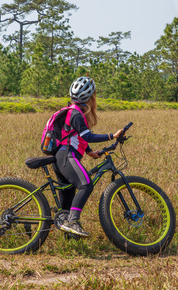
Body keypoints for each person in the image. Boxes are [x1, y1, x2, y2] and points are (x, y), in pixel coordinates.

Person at [53, 77, 124, 237]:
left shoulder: (73, 112)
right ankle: (73, 222)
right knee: (86, 185)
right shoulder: (76, 114)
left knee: (67, 202)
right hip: (67, 156)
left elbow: (76, 136)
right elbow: (87, 136)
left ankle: (68, 233)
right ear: (91, 97)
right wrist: (112, 135)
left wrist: (90, 152)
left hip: (63, 157)